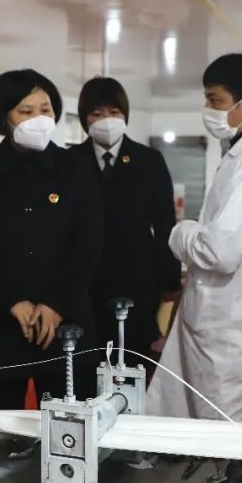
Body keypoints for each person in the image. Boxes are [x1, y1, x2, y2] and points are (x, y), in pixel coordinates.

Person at [147, 53, 242, 423]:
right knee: (198, 427)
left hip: (232, 329)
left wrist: (180, 232)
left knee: (222, 434)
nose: (208, 110)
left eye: (216, 101)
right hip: (224, 322)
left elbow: (220, 250)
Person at [0, 69, 102, 409]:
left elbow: (87, 243)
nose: (39, 118)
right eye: (26, 111)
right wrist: (10, 300)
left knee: (70, 422)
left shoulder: (76, 168)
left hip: (66, 321)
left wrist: (55, 303)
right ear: (3, 116)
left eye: (45, 110)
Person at [73, 77, 180, 374]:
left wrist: (170, 280)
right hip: (85, 283)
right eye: (96, 114)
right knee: (87, 365)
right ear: (84, 119)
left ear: (125, 115)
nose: (106, 120)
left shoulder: (150, 161)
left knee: (133, 363)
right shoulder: (70, 162)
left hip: (137, 282)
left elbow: (165, 223)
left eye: (114, 112)